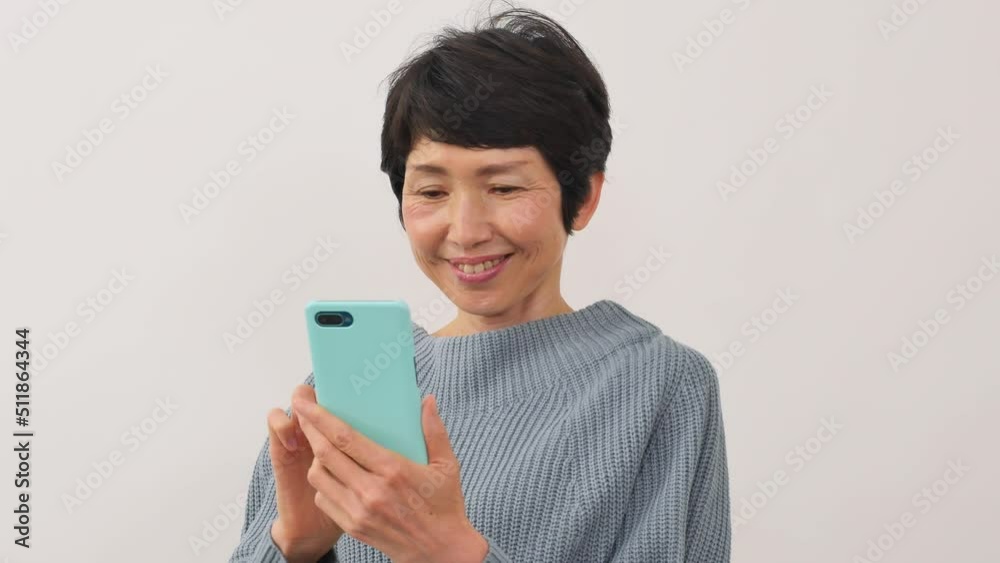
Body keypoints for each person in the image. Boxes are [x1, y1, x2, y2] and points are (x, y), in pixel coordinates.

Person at [229, 5, 731, 562]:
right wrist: (296, 546)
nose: (466, 232)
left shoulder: (661, 384)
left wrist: (449, 552)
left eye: (505, 188)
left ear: (584, 197)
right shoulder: (344, 389)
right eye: (432, 192)